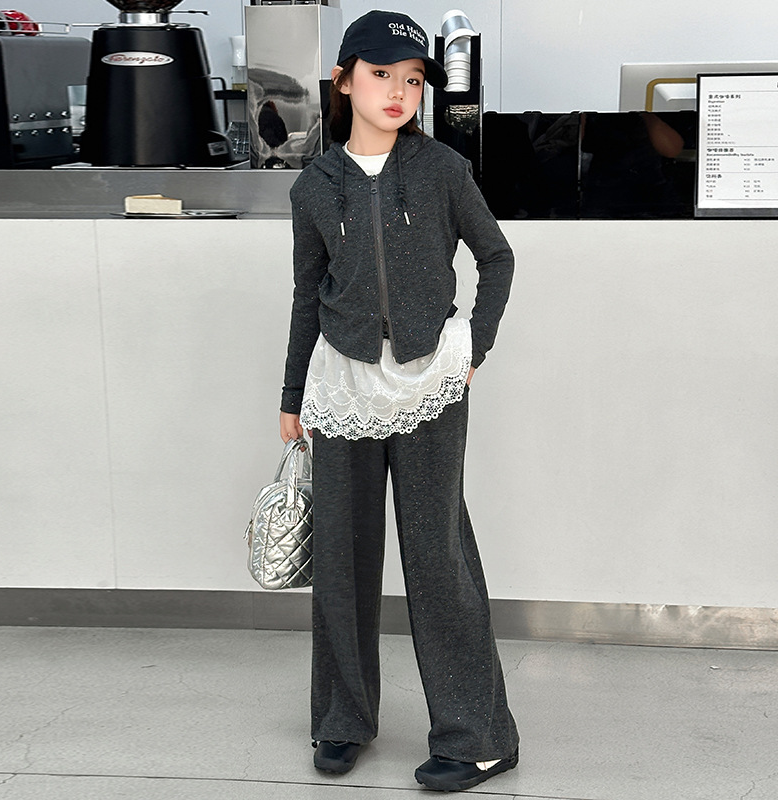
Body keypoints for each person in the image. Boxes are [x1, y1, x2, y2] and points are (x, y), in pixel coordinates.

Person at [279, 10, 520, 793]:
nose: (398, 92)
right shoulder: (314, 187)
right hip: (342, 384)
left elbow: (496, 256)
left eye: (413, 79)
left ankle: (479, 736)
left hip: (427, 384)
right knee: (341, 560)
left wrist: (473, 347)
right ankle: (341, 719)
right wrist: (292, 395)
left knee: (436, 556)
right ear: (344, 80)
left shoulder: (443, 169)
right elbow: (307, 296)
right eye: (381, 74)